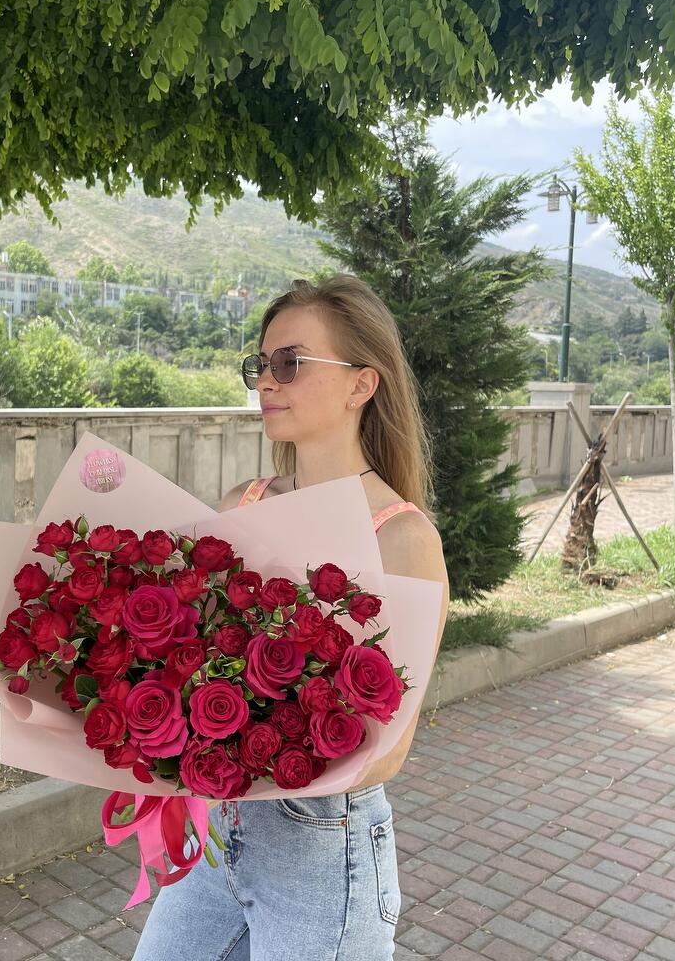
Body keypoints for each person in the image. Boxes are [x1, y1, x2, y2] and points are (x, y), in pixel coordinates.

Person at [132, 274, 450, 961]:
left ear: (362, 384)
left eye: (290, 363)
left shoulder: (402, 538)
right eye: (261, 364)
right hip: (219, 840)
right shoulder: (240, 505)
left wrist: (251, 759)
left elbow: (390, 749)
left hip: (325, 854)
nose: (266, 382)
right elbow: (191, 661)